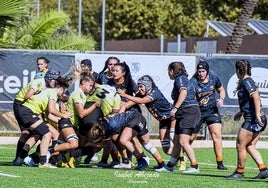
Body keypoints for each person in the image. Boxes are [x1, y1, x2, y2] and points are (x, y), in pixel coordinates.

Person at [15, 75, 70, 168]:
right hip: (27, 112)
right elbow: (52, 110)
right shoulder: (53, 93)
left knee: (37, 134)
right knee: (47, 134)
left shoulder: (49, 92)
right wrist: (63, 115)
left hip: (25, 111)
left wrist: (61, 121)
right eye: (64, 91)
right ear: (61, 88)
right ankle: (43, 162)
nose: (63, 94)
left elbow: (49, 114)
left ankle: (21, 158)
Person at [48, 72, 101, 168]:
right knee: (74, 144)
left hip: (71, 124)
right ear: (83, 82)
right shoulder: (79, 94)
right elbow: (81, 114)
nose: (91, 88)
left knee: (61, 148)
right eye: (90, 85)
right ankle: (48, 152)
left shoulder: (83, 94)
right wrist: (95, 105)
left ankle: (34, 158)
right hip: (67, 122)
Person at [226, 59, 268, 179]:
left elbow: (255, 97)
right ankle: (263, 170)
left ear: (238, 70)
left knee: (240, 145)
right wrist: (241, 112)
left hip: (253, 119)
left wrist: (257, 115)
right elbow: (249, 101)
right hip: (255, 117)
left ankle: (239, 172)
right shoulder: (246, 81)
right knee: (249, 146)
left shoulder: (247, 82)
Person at [156, 61, 201, 173]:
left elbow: (183, 92)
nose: (168, 73)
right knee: (176, 141)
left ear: (172, 71)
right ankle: (170, 166)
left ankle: (195, 166)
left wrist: (175, 108)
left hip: (188, 111)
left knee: (183, 141)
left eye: (169, 71)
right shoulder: (183, 79)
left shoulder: (180, 79)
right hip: (183, 112)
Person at [117, 75, 176, 157]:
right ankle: (177, 158)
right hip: (163, 121)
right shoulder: (141, 94)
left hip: (173, 118)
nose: (139, 89)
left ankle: (182, 161)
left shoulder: (155, 92)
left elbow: (142, 101)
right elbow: (127, 105)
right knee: (166, 149)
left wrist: (125, 95)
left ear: (147, 85)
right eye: (138, 86)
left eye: (141, 86)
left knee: (174, 138)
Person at [89, 109, 165, 170]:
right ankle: (161, 164)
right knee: (147, 144)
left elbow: (106, 144)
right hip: (134, 118)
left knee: (123, 140)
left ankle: (141, 160)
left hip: (135, 118)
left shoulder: (109, 127)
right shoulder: (103, 126)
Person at [190, 60, 227, 170]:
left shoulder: (214, 79)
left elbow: (221, 90)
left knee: (216, 135)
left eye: (203, 71)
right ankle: (180, 157)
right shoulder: (192, 82)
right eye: (199, 71)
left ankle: (220, 162)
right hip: (198, 113)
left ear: (207, 71)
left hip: (212, 111)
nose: (201, 74)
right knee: (190, 138)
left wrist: (221, 99)